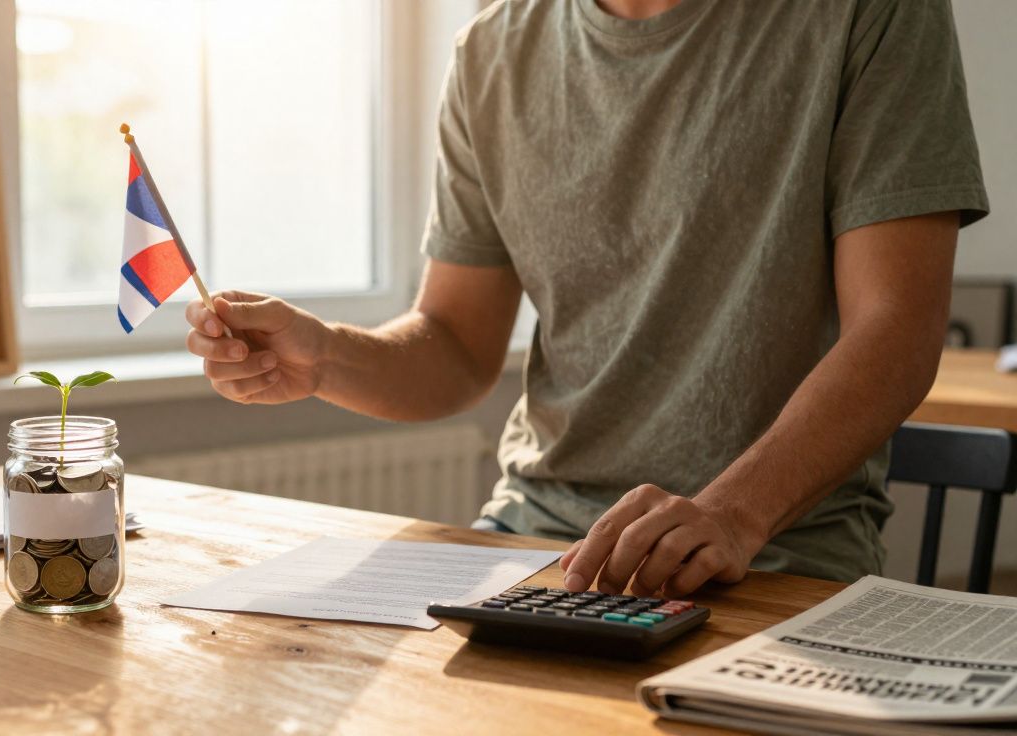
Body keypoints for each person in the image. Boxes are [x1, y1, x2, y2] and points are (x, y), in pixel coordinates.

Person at [184, 0, 989, 598]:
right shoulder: (489, 51)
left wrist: (733, 516)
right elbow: (457, 348)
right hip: (531, 544)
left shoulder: (872, 13)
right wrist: (327, 354)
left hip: (770, 553)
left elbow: (897, 329)